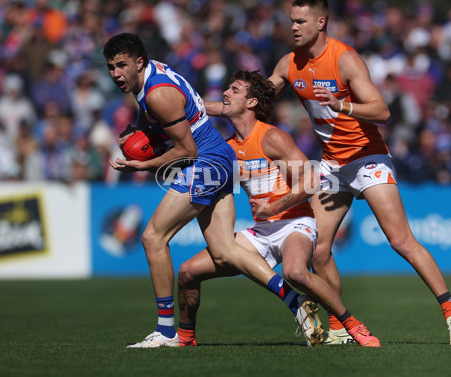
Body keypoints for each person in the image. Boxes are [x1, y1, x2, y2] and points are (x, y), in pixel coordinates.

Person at [207, 0, 451, 346]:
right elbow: (249, 102)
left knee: (401, 241)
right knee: (319, 250)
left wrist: (344, 105)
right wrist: (194, 109)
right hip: (332, 165)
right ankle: (337, 326)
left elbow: (381, 111)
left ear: (321, 22)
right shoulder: (289, 63)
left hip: (367, 158)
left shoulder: (345, 59)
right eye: (291, 20)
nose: (293, 27)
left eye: (300, 21)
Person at [103, 33, 317, 348]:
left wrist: (144, 165)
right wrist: (137, 130)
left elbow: (186, 150)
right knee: (225, 251)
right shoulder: (147, 78)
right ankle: (295, 303)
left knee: (152, 238)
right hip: (219, 158)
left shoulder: (159, 93)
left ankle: (165, 331)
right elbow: (150, 115)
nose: (116, 74)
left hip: (205, 163)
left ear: (138, 62)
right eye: (110, 67)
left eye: (121, 65)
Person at [178, 70, 380, 347]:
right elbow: (201, 113)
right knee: (188, 272)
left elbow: (311, 179)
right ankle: (185, 339)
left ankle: (354, 326)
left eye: (234, 90)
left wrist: (273, 206)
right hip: (259, 232)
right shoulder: (228, 148)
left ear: (251, 103)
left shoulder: (271, 137)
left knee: (295, 272)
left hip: (295, 223)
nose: (226, 93)